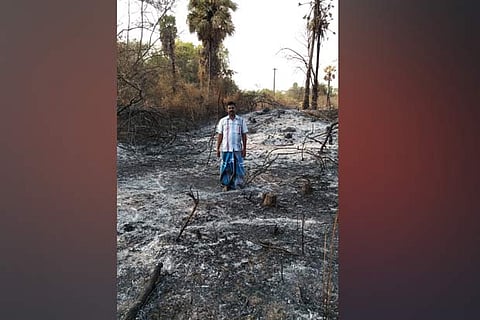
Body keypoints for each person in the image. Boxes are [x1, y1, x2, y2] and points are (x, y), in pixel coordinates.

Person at [216, 101, 248, 191]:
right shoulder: (222, 121)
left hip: (237, 149)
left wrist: (244, 149)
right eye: (229, 108)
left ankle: (238, 184)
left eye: (232, 108)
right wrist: (217, 148)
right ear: (227, 110)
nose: (231, 110)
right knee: (225, 167)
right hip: (226, 149)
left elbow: (244, 135)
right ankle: (225, 184)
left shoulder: (241, 121)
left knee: (238, 167)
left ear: (235, 109)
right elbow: (220, 135)